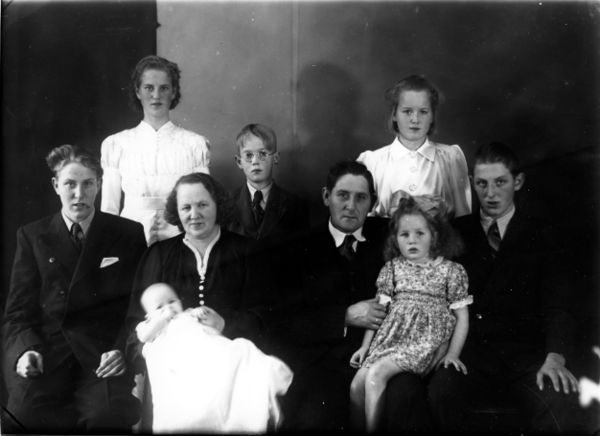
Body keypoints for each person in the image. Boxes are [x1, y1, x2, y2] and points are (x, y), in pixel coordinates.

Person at [431, 142, 584, 432]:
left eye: (500, 182)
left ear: (518, 181)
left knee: (560, 397)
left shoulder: (544, 233)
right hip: (470, 355)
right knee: (441, 390)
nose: (490, 194)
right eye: (482, 183)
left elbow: (559, 304)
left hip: (526, 356)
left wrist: (555, 357)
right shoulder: (456, 233)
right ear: (472, 182)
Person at [2, 144, 146, 433]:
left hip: (102, 356)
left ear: (99, 185)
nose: (79, 194)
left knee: (105, 418)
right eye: (70, 184)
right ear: (56, 185)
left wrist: (121, 350)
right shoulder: (32, 236)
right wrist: (25, 350)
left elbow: (138, 307)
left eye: (88, 184)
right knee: (22, 416)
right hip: (49, 354)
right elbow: (18, 311)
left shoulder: (127, 233)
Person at [125, 172, 271, 428]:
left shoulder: (248, 252)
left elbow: (267, 315)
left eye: (203, 205)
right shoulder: (158, 255)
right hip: (173, 376)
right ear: (177, 211)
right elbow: (134, 328)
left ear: (218, 206)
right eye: (186, 207)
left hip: (231, 372)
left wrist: (225, 323)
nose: (194, 214)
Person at [273, 161, 388, 430]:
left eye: (361, 198)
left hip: (381, 359)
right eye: (342, 195)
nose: (351, 206)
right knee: (316, 418)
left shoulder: (391, 238)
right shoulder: (298, 247)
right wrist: (344, 317)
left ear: (372, 202)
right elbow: (284, 320)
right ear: (326, 196)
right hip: (323, 363)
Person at [349, 194, 471, 431]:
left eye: (420, 234)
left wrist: (453, 354)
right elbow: (377, 312)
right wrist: (366, 347)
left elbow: (462, 317)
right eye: (404, 234)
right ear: (395, 239)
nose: (412, 240)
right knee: (357, 385)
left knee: (375, 376)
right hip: (389, 341)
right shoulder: (392, 268)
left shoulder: (450, 271)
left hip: (424, 342)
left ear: (434, 235)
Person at [135, 282, 292, 433]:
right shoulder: (148, 325)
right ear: (148, 315)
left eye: (172, 301)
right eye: (159, 307)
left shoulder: (188, 313)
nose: (169, 308)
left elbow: (215, 326)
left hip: (206, 356)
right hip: (178, 365)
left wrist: (200, 313)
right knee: (187, 405)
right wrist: (161, 320)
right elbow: (144, 336)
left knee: (241, 352)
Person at [101, 55, 210, 245]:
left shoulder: (194, 144)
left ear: (174, 92)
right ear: (138, 91)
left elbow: (202, 202)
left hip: (181, 234)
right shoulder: (117, 144)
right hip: (130, 235)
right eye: (149, 88)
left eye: (164, 88)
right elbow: (109, 210)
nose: (156, 95)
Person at [356, 74, 471, 218]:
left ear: (432, 116)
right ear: (394, 114)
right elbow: (362, 218)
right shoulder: (373, 161)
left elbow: (463, 216)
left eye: (423, 112)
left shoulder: (450, 157)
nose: (415, 119)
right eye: (407, 111)